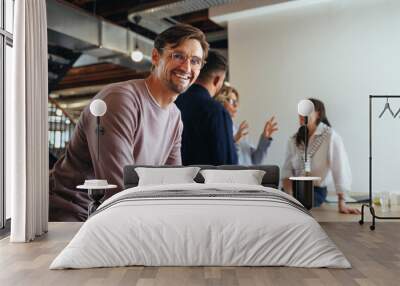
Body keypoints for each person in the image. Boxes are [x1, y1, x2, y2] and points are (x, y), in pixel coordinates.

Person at [49, 24, 209, 221]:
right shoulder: (119, 100)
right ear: (156, 57)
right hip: (74, 214)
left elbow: (172, 184)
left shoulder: (175, 117)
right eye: (178, 56)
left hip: (118, 213)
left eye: (195, 61)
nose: (186, 67)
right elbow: (119, 189)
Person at [281, 98, 360, 214]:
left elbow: (340, 169)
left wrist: (342, 203)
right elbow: (286, 170)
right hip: (293, 189)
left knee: (298, 205)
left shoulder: (330, 137)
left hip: (316, 191)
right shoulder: (293, 140)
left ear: (318, 113)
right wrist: (289, 195)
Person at [175, 51, 237, 165]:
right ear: (217, 80)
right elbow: (228, 166)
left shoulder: (173, 104)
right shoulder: (217, 112)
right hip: (206, 181)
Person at [214, 85, 278, 165]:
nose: (236, 105)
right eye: (232, 101)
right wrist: (233, 141)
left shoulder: (240, 131)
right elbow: (220, 161)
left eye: (236, 102)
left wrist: (265, 138)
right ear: (221, 102)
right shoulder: (216, 130)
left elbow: (255, 161)